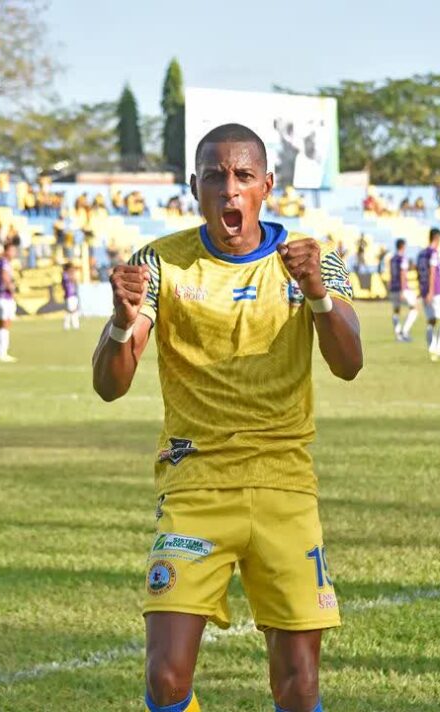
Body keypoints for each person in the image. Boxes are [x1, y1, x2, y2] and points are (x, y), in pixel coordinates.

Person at [91, 123, 361, 712]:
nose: (229, 189)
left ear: (267, 185)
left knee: (298, 686)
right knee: (165, 677)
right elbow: (109, 385)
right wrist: (121, 323)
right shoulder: (159, 263)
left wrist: (317, 292)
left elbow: (349, 363)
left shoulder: (312, 260)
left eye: (242, 176)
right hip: (195, 484)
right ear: (195, 187)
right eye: (215, 176)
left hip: (284, 484)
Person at [416, 228, 440, 362]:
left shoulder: (421, 254)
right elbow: (432, 271)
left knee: (431, 321)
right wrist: (431, 292)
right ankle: (439, 349)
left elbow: (419, 273)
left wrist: (422, 290)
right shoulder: (433, 253)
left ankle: (432, 350)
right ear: (437, 238)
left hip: (425, 291)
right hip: (436, 291)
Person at [0, 239, 18, 363]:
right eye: (12, 250)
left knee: (2, 324)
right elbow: (5, 277)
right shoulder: (4, 262)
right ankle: (3, 353)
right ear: (6, 251)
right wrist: (11, 288)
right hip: (4, 296)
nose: (14, 253)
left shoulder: (3, 262)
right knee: (5, 324)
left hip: (1, 296)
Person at [389, 238, 417, 342]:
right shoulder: (402, 259)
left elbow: (391, 273)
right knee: (414, 308)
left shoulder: (392, 259)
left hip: (393, 288)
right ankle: (404, 331)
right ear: (403, 246)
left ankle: (398, 335)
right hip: (402, 289)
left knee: (396, 311)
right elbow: (402, 274)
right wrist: (402, 290)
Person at [62, 261, 80, 331]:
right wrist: (72, 274)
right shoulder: (65, 275)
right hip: (69, 295)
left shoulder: (67, 274)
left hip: (73, 294)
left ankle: (68, 325)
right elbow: (71, 280)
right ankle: (73, 325)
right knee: (71, 310)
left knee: (71, 310)